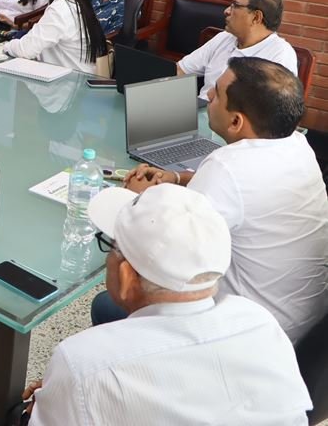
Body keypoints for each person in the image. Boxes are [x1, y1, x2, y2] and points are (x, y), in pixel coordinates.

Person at [24, 184, 312, 425]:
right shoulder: (260, 323)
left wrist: (61, 398)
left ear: (127, 276)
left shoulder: (83, 363)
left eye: (110, 246)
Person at [110, 57, 328, 343]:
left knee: (110, 303)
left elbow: (168, 250)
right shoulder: (297, 145)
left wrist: (143, 198)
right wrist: (177, 178)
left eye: (217, 93)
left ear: (236, 121)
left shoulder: (227, 167)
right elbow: (248, 191)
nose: (208, 94)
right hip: (304, 320)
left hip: (251, 334)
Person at [177, 0, 297, 101]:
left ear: (256, 17)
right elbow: (182, 69)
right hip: (198, 110)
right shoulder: (225, 37)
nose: (227, 11)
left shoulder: (280, 55)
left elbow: (269, 111)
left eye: (235, 6)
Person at [2, 0, 107, 73]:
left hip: (67, 83)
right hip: (79, 77)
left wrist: (4, 46)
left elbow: (25, 50)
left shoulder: (60, 8)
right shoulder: (80, 4)